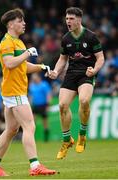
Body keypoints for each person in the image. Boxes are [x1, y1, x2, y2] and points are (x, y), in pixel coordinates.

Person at [0, 8, 56, 176]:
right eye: (20, 21)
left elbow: (22, 67)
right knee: (29, 126)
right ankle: (35, 166)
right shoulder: (6, 42)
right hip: (15, 92)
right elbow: (9, 63)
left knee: (11, 129)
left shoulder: (18, 42)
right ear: (11, 24)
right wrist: (27, 53)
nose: (24, 23)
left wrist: (42, 67)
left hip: (14, 91)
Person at [49, 7, 104, 159]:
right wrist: (56, 71)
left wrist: (95, 70)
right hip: (71, 74)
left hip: (87, 73)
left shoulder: (91, 37)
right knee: (62, 106)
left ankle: (82, 135)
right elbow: (62, 59)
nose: (68, 21)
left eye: (71, 19)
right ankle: (67, 140)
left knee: (84, 100)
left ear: (79, 20)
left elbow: (100, 58)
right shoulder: (66, 38)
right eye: (67, 19)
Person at [29, 73, 52, 142]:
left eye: (34, 77)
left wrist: (48, 105)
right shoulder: (32, 86)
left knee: (45, 122)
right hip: (35, 106)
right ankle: (32, 138)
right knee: (33, 122)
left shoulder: (44, 84)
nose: (33, 78)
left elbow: (48, 95)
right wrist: (29, 105)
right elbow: (30, 96)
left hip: (43, 105)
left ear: (38, 77)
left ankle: (46, 138)